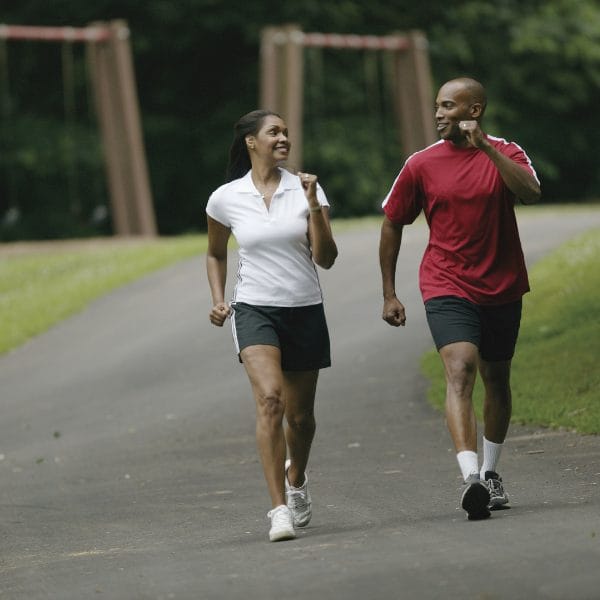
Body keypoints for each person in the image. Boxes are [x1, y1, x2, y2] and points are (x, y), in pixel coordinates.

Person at [379, 77, 541, 520]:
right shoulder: (421, 164)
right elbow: (393, 221)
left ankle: (491, 473)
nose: (438, 114)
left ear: (475, 110)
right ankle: (470, 476)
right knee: (460, 367)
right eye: (437, 105)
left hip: (502, 283)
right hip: (446, 281)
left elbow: (529, 193)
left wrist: (486, 149)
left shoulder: (507, 152)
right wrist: (390, 292)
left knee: (498, 379)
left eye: (449, 106)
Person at [205, 109, 338, 541]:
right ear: (251, 142)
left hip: (304, 309)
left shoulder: (305, 192)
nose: (283, 138)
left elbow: (326, 258)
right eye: (273, 132)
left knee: (300, 419)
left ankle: (296, 478)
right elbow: (215, 252)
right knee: (270, 401)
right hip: (254, 309)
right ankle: (278, 508)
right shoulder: (226, 197)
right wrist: (219, 299)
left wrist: (314, 201)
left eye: (285, 132)